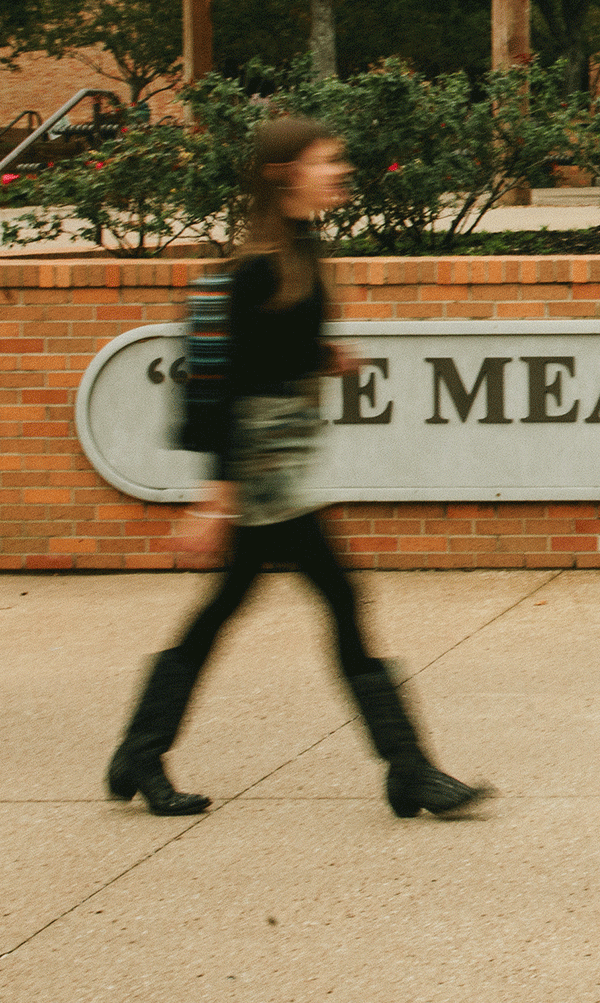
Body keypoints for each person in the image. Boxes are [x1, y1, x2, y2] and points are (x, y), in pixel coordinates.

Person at [104, 117, 488, 820]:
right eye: (326, 160)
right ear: (286, 173)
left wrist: (322, 357)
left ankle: (140, 750)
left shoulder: (301, 250)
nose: (341, 169)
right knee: (338, 600)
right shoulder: (253, 270)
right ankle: (409, 770)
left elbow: (271, 352)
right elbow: (218, 385)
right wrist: (215, 500)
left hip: (284, 464)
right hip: (262, 474)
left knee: (226, 610)